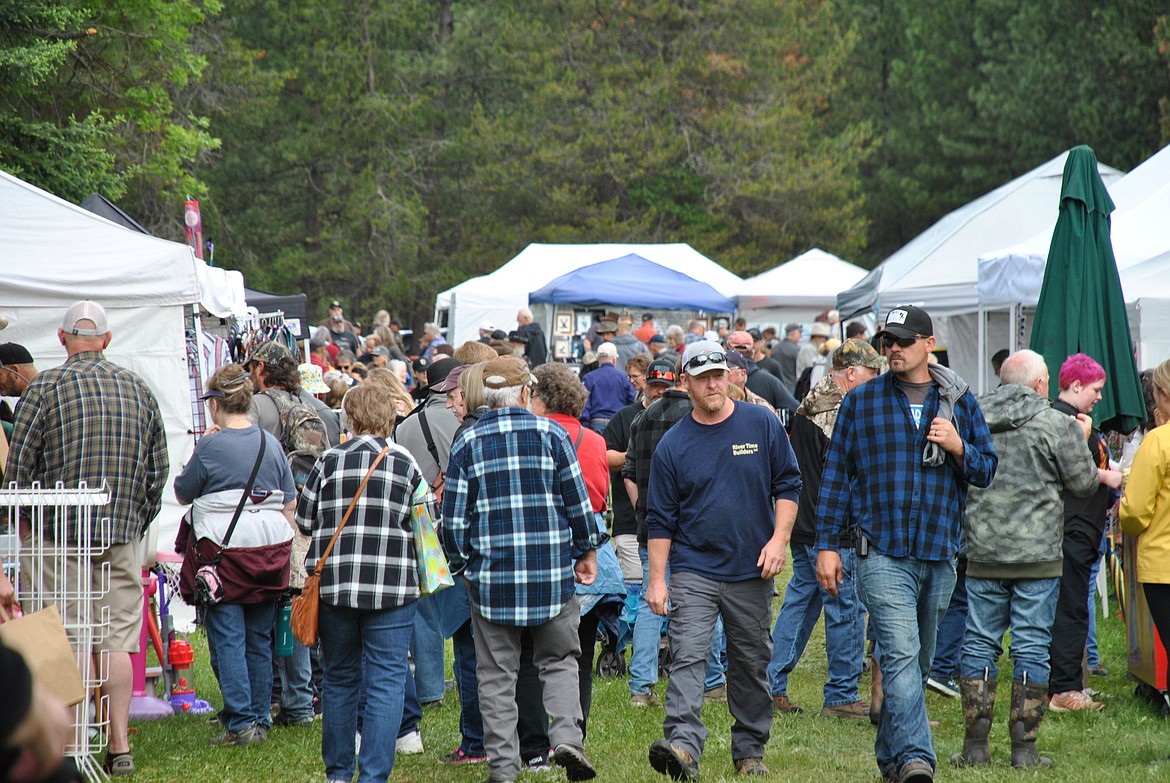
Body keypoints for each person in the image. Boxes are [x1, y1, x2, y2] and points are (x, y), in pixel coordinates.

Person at [814, 304, 997, 783]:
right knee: (897, 652)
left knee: (916, 660)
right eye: (885, 342)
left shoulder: (959, 400)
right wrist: (828, 546)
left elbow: (987, 469)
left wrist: (959, 447)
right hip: (882, 550)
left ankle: (891, 760)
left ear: (927, 342)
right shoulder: (862, 401)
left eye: (902, 340)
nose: (892, 348)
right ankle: (918, 758)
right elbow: (836, 476)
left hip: (939, 549)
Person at [7, 300, 169, 778]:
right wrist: (136, 521)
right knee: (118, 639)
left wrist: (19, 524)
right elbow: (157, 471)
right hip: (120, 534)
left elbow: (17, 470)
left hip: (57, 536)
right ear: (107, 338)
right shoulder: (139, 389)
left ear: (61, 340)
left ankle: (73, 744)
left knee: (67, 638)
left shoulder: (44, 389)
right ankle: (119, 745)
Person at [441, 355, 606, 783]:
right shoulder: (552, 434)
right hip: (551, 574)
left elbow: (454, 520)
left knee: (496, 674)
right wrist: (588, 549)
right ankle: (567, 736)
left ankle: (503, 766)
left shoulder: (467, 442)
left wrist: (463, 567)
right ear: (525, 392)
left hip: (492, 579)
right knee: (560, 661)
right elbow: (578, 504)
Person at [644, 340, 802, 781]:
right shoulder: (673, 445)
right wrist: (658, 581)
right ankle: (683, 747)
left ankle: (750, 750)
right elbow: (659, 520)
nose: (713, 383)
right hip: (694, 568)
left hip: (752, 567)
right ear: (685, 384)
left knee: (750, 662)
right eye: (702, 377)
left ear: (729, 375)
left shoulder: (761, 423)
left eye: (718, 374)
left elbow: (789, 485)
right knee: (688, 656)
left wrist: (779, 540)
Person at [952, 350, 1098, 769]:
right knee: (1032, 646)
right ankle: (1024, 752)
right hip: (1037, 556)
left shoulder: (972, 417)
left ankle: (975, 748)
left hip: (982, 550)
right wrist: (1083, 439)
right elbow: (1084, 484)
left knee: (979, 642)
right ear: (1039, 384)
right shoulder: (1057, 424)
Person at [295, 383, 424, 783]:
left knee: (339, 678)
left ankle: (337, 772)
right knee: (387, 680)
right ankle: (373, 775)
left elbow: (304, 521)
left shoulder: (328, 461)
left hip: (335, 586)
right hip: (393, 589)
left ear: (349, 418)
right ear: (390, 416)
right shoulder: (405, 463)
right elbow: (425, 528)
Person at [174, 364, 297, 746]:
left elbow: (183, 492)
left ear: (216, 404)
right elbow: (289, 501)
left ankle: (241, 722)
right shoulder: (270, 444)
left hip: (223, 556)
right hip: (267, 554)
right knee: (258, 639)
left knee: (228, 639)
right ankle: (258, 717)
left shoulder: (211, 445)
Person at [768, 339, 883, 720]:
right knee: (845, 607)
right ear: (851, 373)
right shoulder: (839, 409)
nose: (877, 380)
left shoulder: (813, 399)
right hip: (831, 529)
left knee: (801, 603)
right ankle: (842, 694)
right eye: (872, 373)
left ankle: (768, 684)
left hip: (807, 522)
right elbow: (847, 476)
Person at [1047, 353, 1123, 713]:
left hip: (1082, 530)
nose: (1099, 396)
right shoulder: (1062, 422)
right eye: (1095, 389)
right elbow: (1071, 475)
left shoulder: (1078, 421)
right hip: (1070, 529)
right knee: (1071, 609)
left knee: (1075, 606)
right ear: (1075, 386)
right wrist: (1106, 474)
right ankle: (1063, 689)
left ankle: (1071, 683)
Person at [1120, 359, 1170, 744]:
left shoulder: (1157, 441)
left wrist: (1126, 520)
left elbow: (1135, 511)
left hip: (1164, 564)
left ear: (1162, 395)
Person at [580, 343, 636, 434]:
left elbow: (584, 405)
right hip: (617, 422)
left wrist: (585, 426)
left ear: (598, 360)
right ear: (614, 359)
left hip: (595, 423)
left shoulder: (588, 378)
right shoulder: (624, 378)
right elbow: (632, 400)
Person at [773, 323, 803, 392]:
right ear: (793, 334)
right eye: (799, 333)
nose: (801, 336)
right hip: (791, 387)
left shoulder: (775, 348)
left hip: (776, 385)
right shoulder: (796, 349)